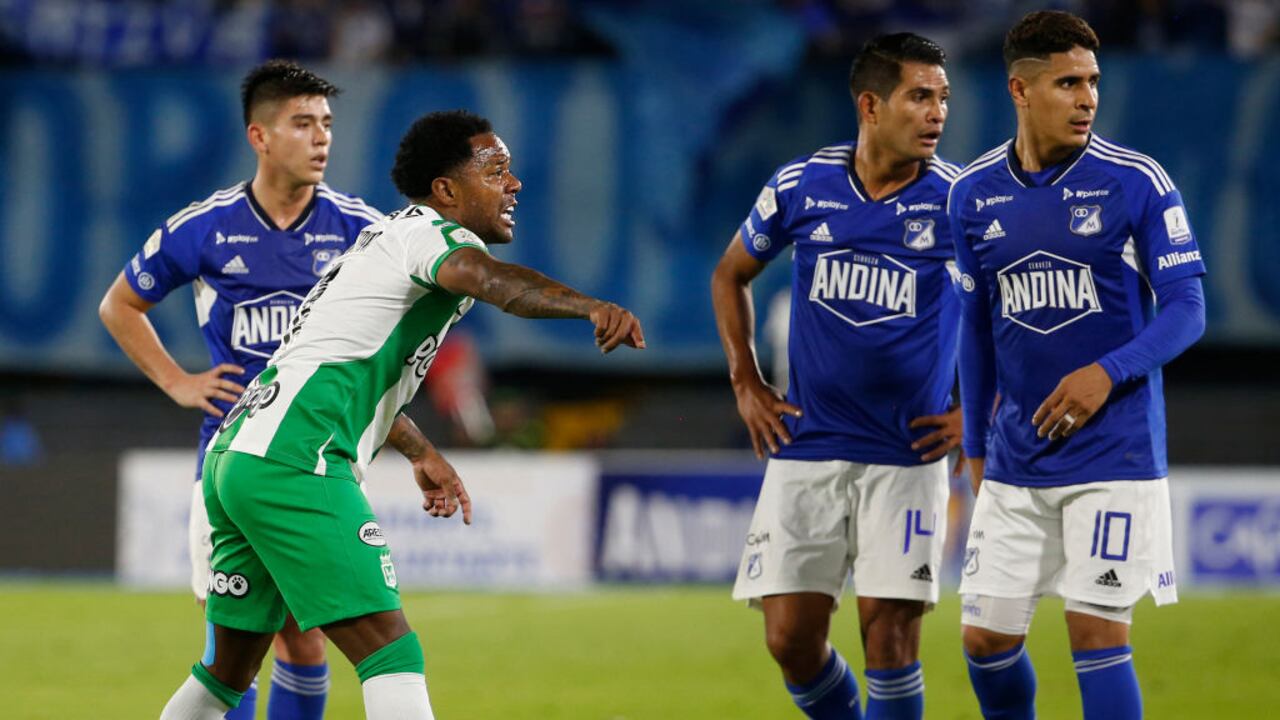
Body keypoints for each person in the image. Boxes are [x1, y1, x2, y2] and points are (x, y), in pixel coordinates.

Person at [156, 109, 644, 719]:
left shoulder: (375, 245)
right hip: (296, 458)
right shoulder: (435, 238)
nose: (514, 185)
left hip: (239, 455)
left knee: (225, 673)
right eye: (496, 171)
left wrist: (419, 449)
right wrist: (589, 306)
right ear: (446, 190)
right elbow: (485, 278)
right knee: (391, 652)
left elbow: (339, 370)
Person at [100, 59, 383, 719]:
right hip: (229, 460)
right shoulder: (204, 227)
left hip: (316, 462)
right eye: (303, 123)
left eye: (328, 124)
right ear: (259, 137)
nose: (322, 139)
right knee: (233, 643)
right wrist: (178, 382)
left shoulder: (358, 229)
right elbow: (119, 306)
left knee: (305, 638)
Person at [948, 11, 1206, 720]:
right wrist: (973, 447)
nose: (1088, 97)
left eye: (1093, 81)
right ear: (1021, 91)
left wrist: (1108, 371)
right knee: (983, 641)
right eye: (1068, 83)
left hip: (1115, 453)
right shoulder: (971, 196)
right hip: (1016, 461)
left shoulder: (1136, 182)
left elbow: (1188, 307)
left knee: (1095, 633)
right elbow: (973, 330)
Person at [711, 33, 964, 720]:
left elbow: (1007, 310)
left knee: (890, 638)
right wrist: (747, 381)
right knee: (790, 640)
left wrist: (980, 409)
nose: (937, 113)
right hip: (808, 444)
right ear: (870, 105)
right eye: (920, 97)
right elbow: (731, 274)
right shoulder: (802, 185)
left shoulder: (958, 202)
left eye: (943, 98)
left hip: (907, 453)